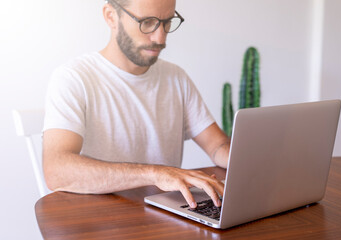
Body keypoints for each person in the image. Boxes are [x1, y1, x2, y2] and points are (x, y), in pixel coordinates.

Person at [42, 0, 230, 209]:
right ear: (111, 16)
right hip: (97, 218)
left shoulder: (175, 77)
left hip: (164, 215)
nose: (160, 37)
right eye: (147, 22)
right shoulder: (74, 78)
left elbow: (218, 146)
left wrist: (254, 160)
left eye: (167, 22)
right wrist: (156, 174)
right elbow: (56, 170)